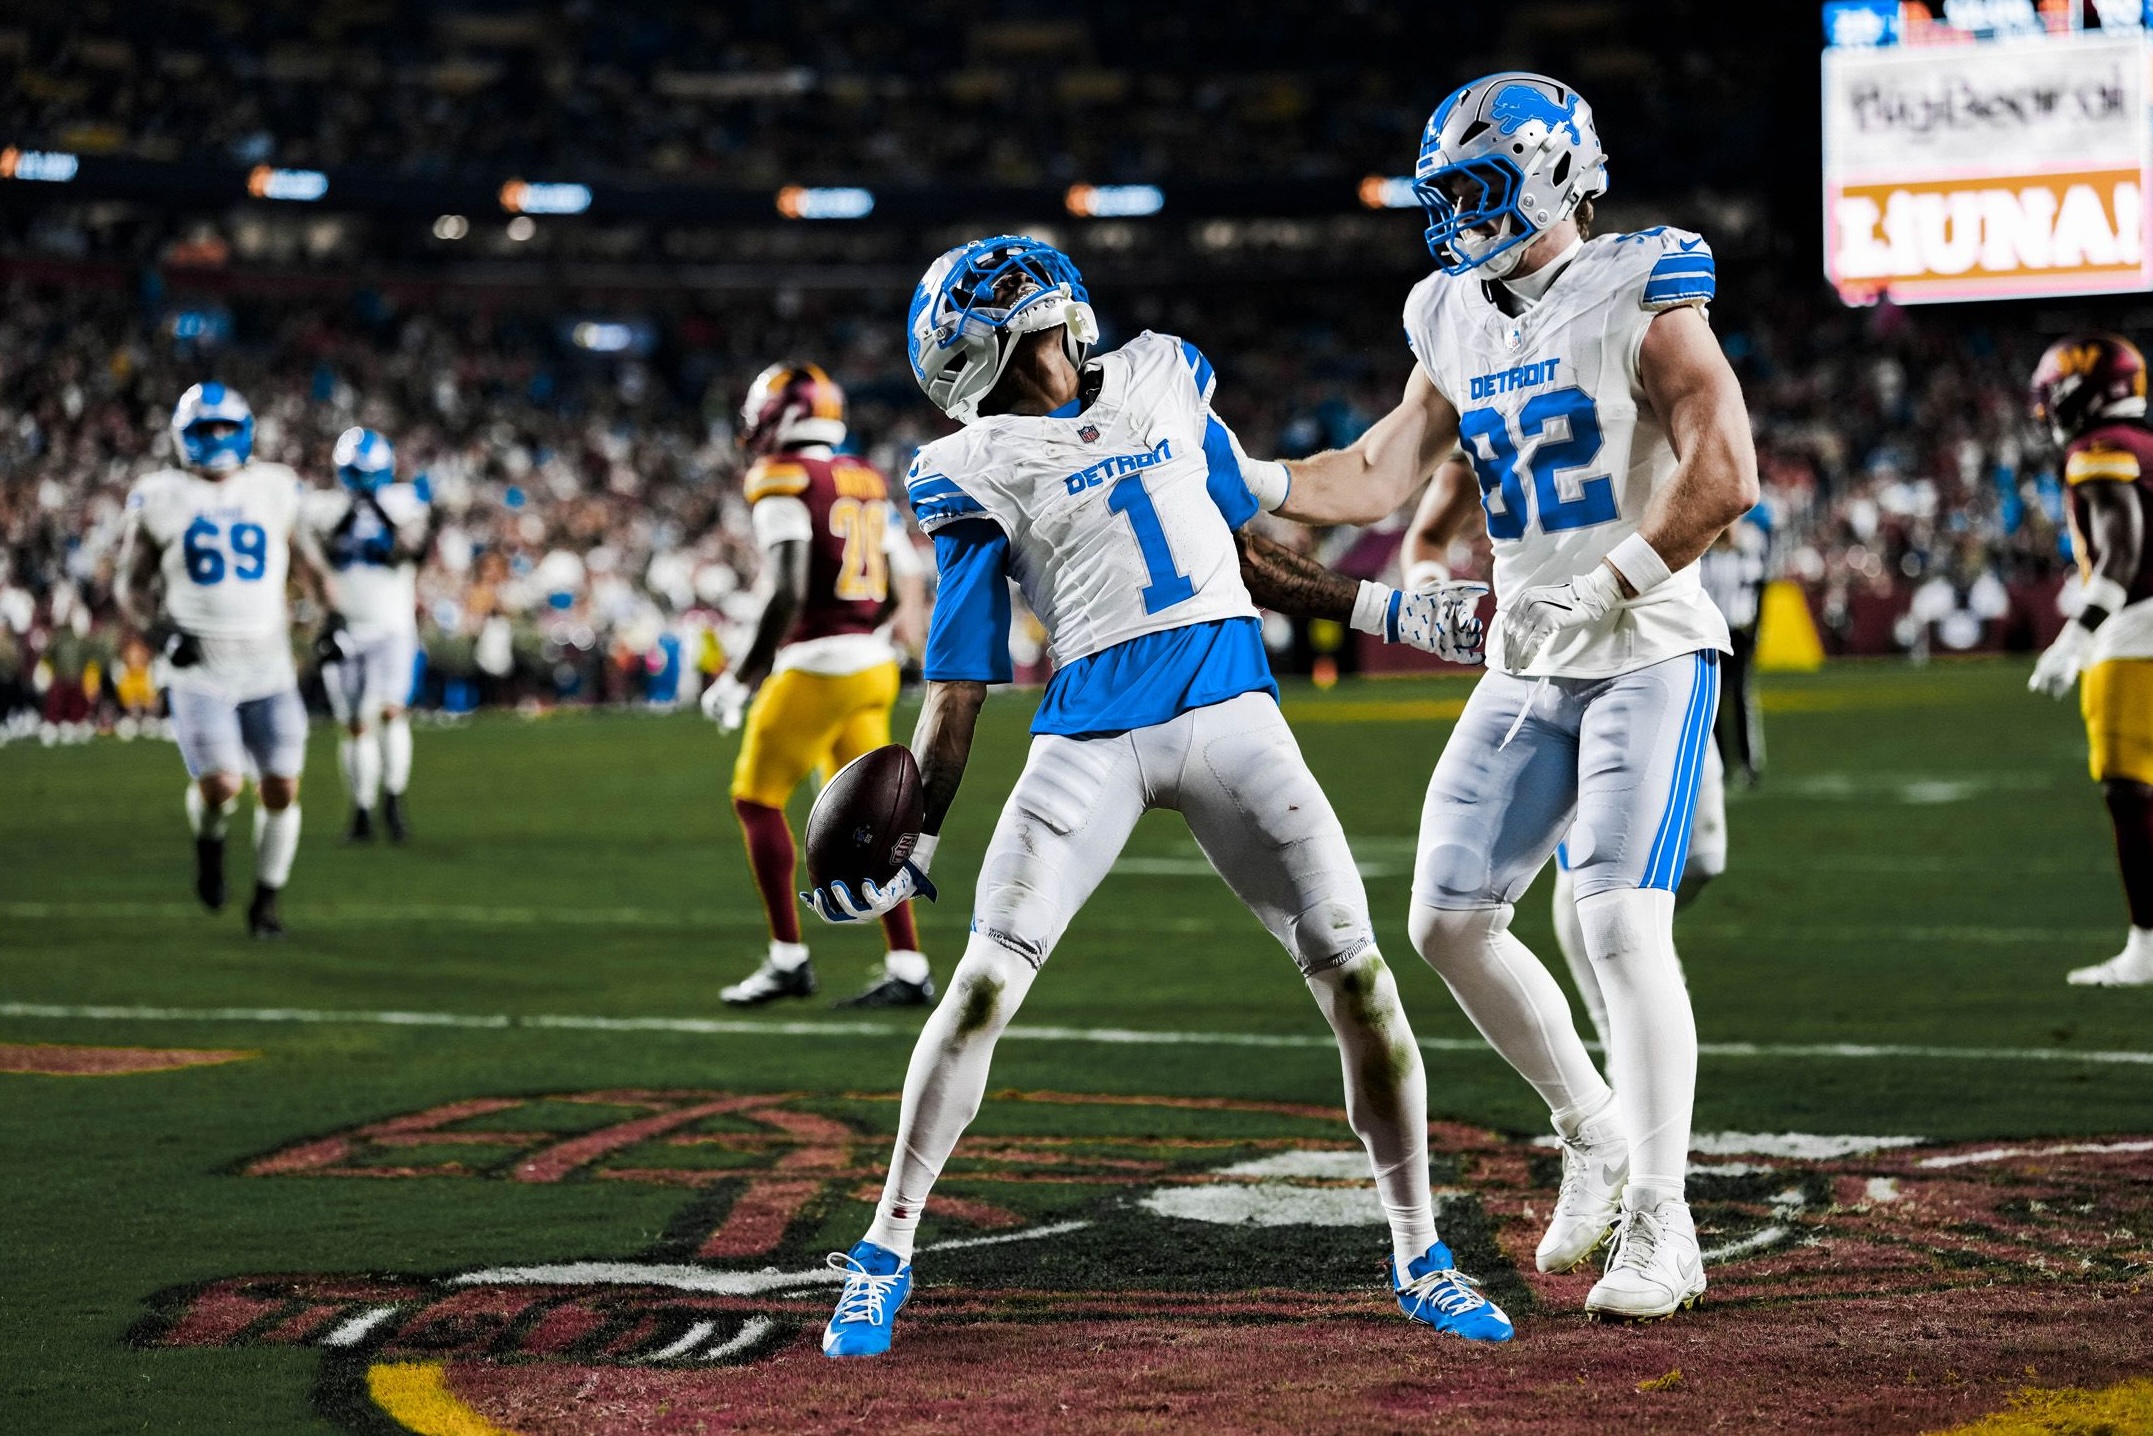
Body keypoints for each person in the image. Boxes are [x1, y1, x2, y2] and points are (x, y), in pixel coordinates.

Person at [806, 235, 1506, 1357]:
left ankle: (1421, 1254)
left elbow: (1245, 552)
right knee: (982, 984)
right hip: (1091, 737)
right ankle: (883, 1251)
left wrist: (1387, 612)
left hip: (1233, 716)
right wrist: (918, 833)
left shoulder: (1161, 373)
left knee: (1358, 976)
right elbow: (959, 679)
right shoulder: (970, 463)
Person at [1242, 73, 1759, 1320]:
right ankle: (1590, 1128)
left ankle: (1665, 1221)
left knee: (1619, 922)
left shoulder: (1640, 283)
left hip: (1643, 641)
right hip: (1531, 654)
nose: (1456, 216)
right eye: (1447, 192)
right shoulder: (1449, 314)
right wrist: (1238, 473)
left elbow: (1725, 471)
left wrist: (1607, 581)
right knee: (1445, 919)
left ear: (1552, 174)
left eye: (1478, 187)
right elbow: (1375, 472)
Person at [1400, 454, 1729, 1060]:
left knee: (1703, 859)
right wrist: (1427, 588)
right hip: (1554, 675)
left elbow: (1719, 492)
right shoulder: (1480, 434)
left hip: (1653, 657)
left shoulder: (1627, 419)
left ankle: (1637, 954)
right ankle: (1622, 1052)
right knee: (1608, 911)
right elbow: (1427, 533)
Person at [703, 362, 936, 1008]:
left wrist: (740, 678)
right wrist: (877, 631)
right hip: (871, 666)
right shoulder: (862, 476)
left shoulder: (782, 477)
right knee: (871, 821)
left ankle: (788, 958)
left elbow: (787, 590)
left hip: (818, 666)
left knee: (756, 800)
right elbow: (898, 576)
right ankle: (908, 964)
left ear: (782, 414)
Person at [116, 383, 325, 938]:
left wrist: (326, 622)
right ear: (182, 436)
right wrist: (159, 632)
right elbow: (130, 585)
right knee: (223, 785)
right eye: (204, 428)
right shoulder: (159, 495)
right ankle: (209, 847)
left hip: (268, 664)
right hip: (198, 665)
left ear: (245, 432)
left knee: (282, 787)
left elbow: (311, 566)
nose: (215, 438)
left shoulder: (275, 487)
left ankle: (266, 903)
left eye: (224, 427)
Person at [2027, 333, 2153, 987]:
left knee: (2129, 789)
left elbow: (2120, 555)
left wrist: (2076, 636)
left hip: (2137, 632)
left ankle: (2146, 948)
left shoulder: (2099, 449)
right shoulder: (2143, 443)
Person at [303, 427, 432, 844]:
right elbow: (318, 555)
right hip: (344, 626)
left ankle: (394, 799)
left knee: (392, 711)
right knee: (355, 724)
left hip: (391, 626)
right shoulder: (323, 507)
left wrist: (377, 511)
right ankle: (361, 809)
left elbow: (411, 550)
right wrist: (351, 513)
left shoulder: (404, 502)